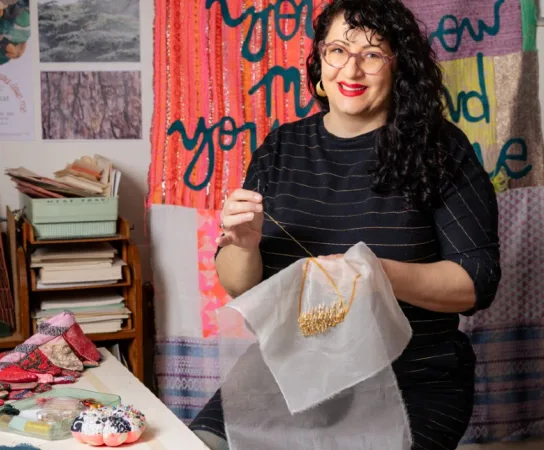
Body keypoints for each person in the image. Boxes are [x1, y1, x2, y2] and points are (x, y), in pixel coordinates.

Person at [189, 0, 501, 448]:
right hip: (289, 380)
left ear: (400, 67)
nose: (350, 71)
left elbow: (477, 282)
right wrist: (243, 243)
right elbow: (240, 286)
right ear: (320, 59)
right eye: (338, 50)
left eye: (372, 54)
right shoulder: (281, 148)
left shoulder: (439, 148)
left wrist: (375, 273)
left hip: (410, 380)